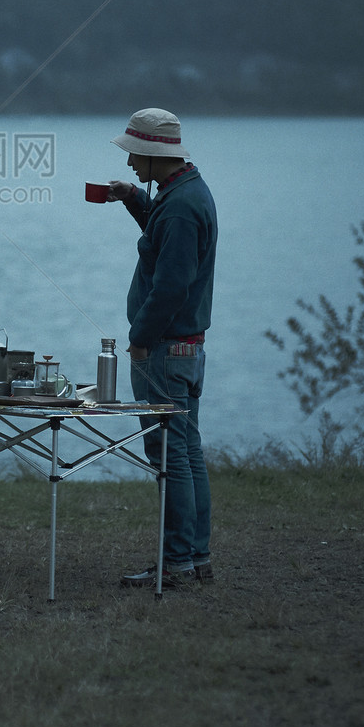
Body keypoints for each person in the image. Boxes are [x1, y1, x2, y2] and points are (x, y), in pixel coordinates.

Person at [106, 108, 217, 588]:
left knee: (169, 456)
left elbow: (171, 287)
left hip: (165, 353)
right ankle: (194, 558)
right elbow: (165, 239)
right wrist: (134, 200)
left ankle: (175, 564)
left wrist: (138, 340)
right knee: (187, 453)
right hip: (186, 352)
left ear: (155, 155)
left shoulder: (178, 206)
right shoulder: (185, 195)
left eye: (135, 157)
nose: (131, 163)